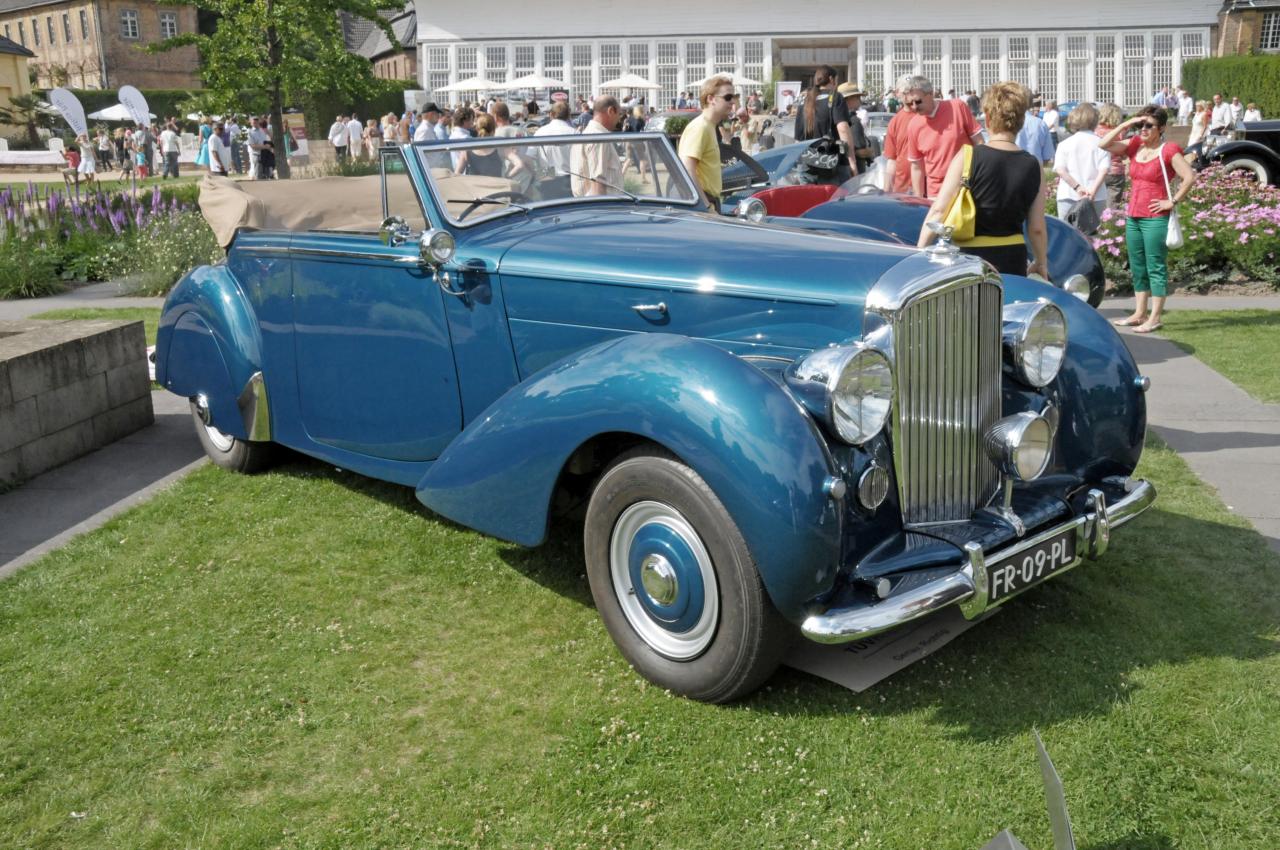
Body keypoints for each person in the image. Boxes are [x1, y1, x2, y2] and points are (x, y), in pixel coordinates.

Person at [917, 81, 1047, 279]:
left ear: (987, 118)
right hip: (1013, 255)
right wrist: (1040, 262)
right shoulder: (1033, 165)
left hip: (969, 258)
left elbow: (939, 210)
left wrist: (919, 252)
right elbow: (1036, 227)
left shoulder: (967, 156)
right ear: (1021, 121)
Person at [1099, 105, 1197, 334]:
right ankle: (1139, 312)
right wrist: (1125, 125)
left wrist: (1171, 201)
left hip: (1155, 217)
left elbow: (1189, 177)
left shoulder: (1168, 149)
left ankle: (1155, 317)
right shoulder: (1135, 146)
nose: (1143, 129)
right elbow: (1103, 144)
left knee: (1155, 266)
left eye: (1148, 125)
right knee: (1137, 265)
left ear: (1161, 128)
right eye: (1140, 124)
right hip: (1133, 215)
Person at [904, 75, 984, 199]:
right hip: (936, 193)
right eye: (909, 103)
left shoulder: (957, 107)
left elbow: (979, 143)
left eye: (918, 101)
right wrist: (918, 200)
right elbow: (916, 167)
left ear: (930, 94)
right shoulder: (913, 125)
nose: (914, 106)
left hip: (966, 188)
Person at [793, 64, 857, 183]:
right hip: (832, 165)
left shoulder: (804, 101)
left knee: (810, 202)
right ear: (832, 79)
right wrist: (852, 163)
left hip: (807, 165)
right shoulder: (836, 97)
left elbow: (797, 140)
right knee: (834, 201)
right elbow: (843, 129)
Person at [679, 75, 736, 208]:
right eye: (728, 97)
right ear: (711, 99)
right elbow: (687, 169)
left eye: (734, 97)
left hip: (708, 200)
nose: (732, 101)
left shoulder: (709, 126)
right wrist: (706, 206)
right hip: (703, 203)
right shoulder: (700, 127)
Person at [1054, 103, 1111, 226]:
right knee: (1093, 237)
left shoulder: (1064, 144)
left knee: (1067, 234)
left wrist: (1078, 188)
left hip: (1068, 194)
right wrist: (1093, 191)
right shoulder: (1101, 143)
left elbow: (1061, 170)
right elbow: (1104, 170)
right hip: (1096, 196)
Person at [570, 96, 624, 197]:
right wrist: (601, 212)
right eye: (619, 114)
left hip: (588, 206)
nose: (619, 119)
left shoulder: (588, 134)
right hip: (603, 208)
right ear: (611, 111)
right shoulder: (598, 138)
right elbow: (597, 182)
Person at [882, 74, 916, 194]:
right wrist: (886, 190)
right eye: (905, 91)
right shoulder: (895, 122)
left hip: (926, 187)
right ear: (897, 93)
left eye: (913, 91)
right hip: (902, 189)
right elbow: (892, 160)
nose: (910, 95)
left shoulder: (927, 116)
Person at [836, 82, 874, 174]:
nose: (860, 100)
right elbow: (859, 151)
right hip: (855, 171)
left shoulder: (836, 118)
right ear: (848, 99)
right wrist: (871, 152)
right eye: (857, 97)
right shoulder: (853, 121)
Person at [1095, 104, 1127, 209]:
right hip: (1115, 171)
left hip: (1098, 170)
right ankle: (1112, 223)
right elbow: (1123, 152)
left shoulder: (1095, 131)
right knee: (1112, 206)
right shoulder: (1119, 132)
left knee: (1097, 204)